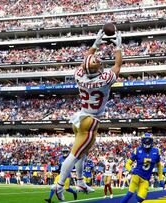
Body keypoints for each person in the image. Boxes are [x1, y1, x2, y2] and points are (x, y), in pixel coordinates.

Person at [52, 29, 122, 201]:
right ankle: (59, 186)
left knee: (83, 153)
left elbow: (86, 61)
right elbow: (118, 65)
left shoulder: (79, 75)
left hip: (79, 118)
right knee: (74, 154)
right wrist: (118, 46)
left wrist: (95, 45)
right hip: (90, 120)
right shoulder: (104, 79)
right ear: (98, 69)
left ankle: (81, 181)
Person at [120, 133, 164, 203]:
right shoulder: (137, 150)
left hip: (146, 178)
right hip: (137, 175)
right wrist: (131, 170)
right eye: (145, 140)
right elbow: (127, 163)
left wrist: (161, 179)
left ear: (152, 141)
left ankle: (139, 193)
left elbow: (159, 165)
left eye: (148, 140)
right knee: (130, 193)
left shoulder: (156, 151)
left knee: (140, 199)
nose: (147, 141)